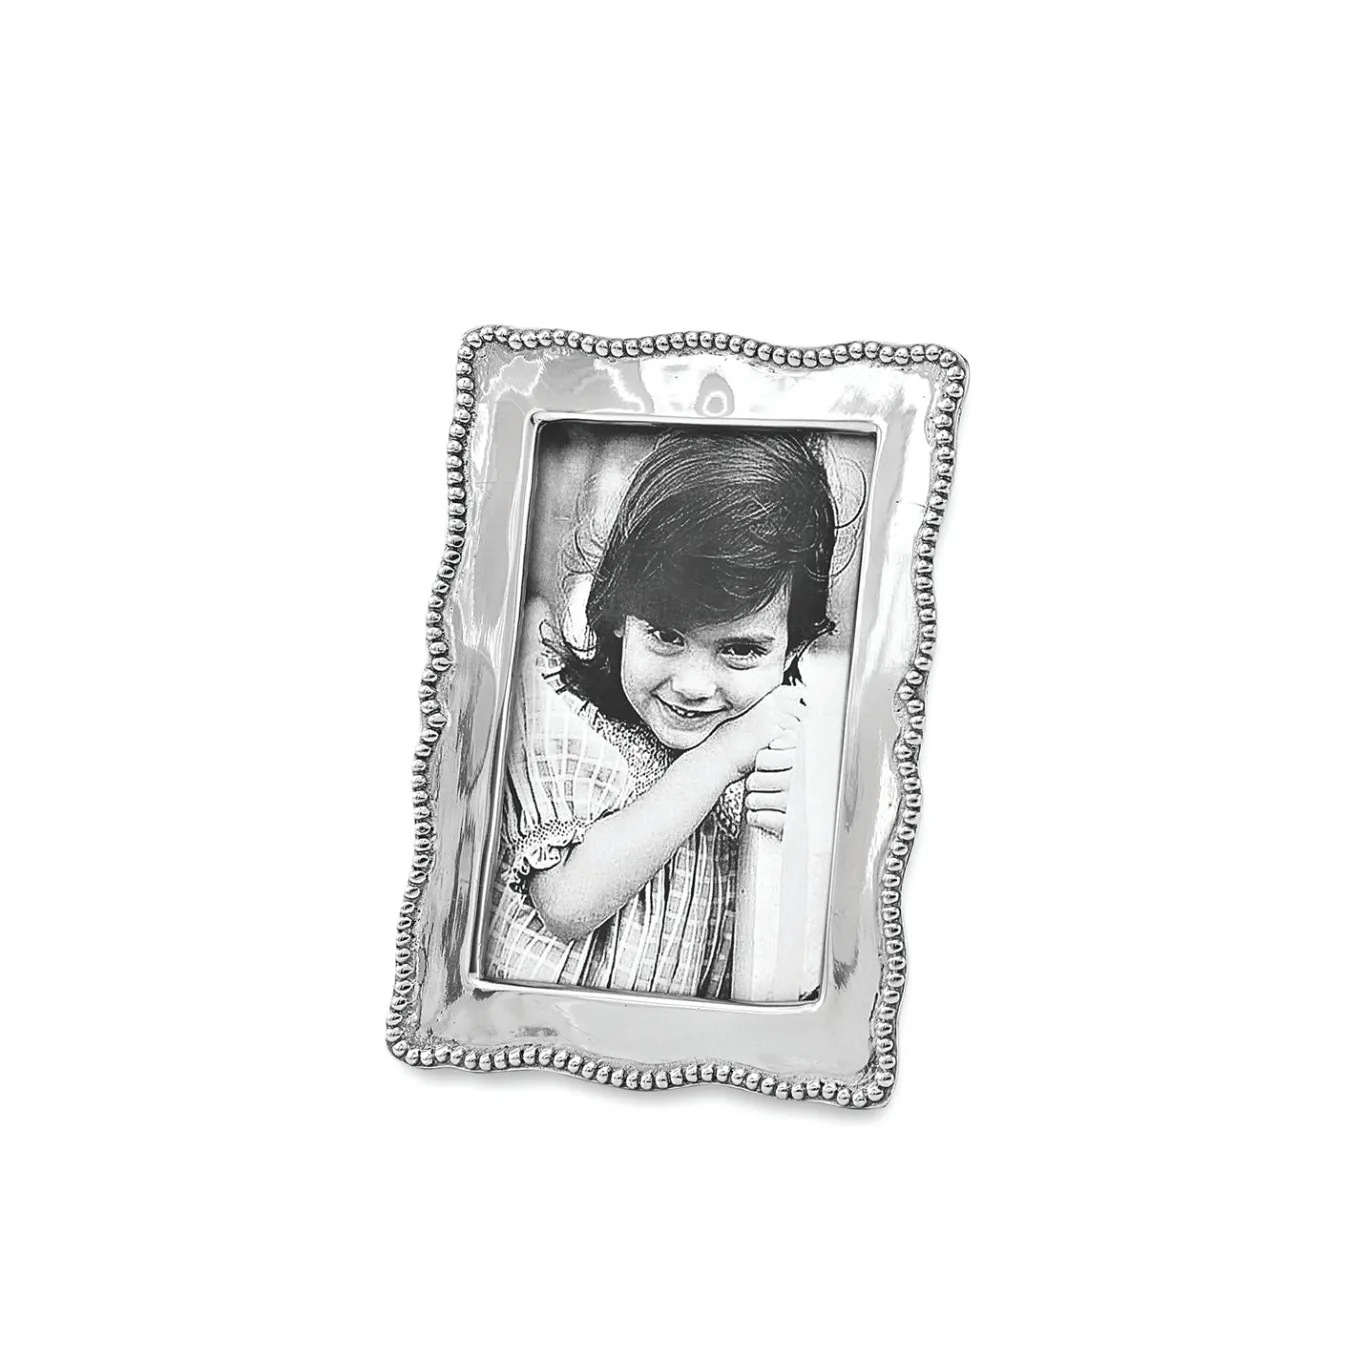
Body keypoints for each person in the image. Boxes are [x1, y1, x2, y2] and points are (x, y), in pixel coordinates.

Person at [482, 427, 842, 999]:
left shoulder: (777, 752)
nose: (693, 685)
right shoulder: (564, 715)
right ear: (619, 615)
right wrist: (719, 759)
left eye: (740, 650)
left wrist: (801, 813)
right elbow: (567, 903)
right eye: (667, 636)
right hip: (539, 1032)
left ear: (792, 651)